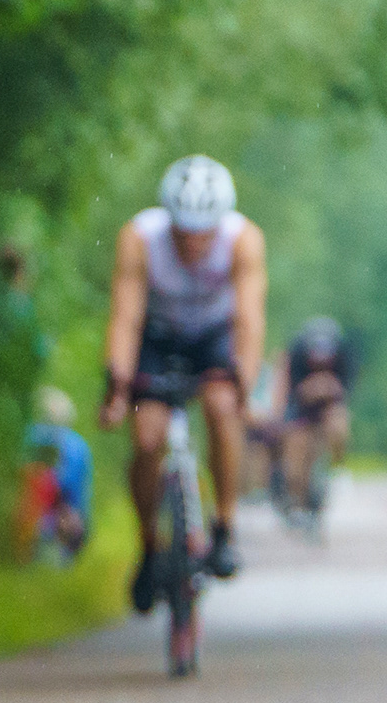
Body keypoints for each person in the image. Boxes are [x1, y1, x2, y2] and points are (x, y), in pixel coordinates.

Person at [97, 155, 267, 612]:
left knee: (221, 407)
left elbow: (249, 319)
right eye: (182, 230)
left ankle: (224, 527)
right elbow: (126, 317)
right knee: (146, 437)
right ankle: (149, 547)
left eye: (202, 231)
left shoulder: (243, 239)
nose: (192, 241)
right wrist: (117, 386)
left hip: (214, 335)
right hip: (158, 336)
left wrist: (245, 384)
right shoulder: (140, 238)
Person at [276, 316, 354, 514]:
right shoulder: (297, 355)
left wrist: (328, 388)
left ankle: (337, 467)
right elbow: (289, 393)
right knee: (296, 458)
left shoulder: (343, 356)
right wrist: (310, 390)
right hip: (299, 411)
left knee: (339, 423)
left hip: (328, 409)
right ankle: (295, 498)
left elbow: (345, 391)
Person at [22, 387, 91, 560]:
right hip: (37, 512)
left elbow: (76, 502)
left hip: (53, 516)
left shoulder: (76, 449)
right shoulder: (31, 439)